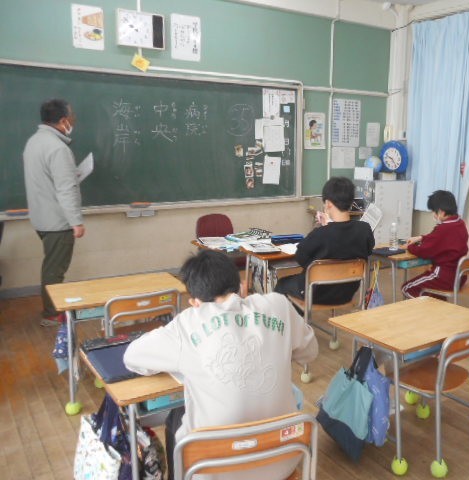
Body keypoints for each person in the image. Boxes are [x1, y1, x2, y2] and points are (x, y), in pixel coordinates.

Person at [124, 250, 318, 480]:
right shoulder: (279, 305)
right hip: (285, 457)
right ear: (243, 287)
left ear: (195, 302)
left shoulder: (187, 323)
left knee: (178, 416)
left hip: (214, 470)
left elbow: (131, 357)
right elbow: (310, 352)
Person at [23, 99, 85, 327]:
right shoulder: (58, 148)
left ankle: (52, 310)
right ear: (63, 120)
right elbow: (65, 189)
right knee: (54, 270)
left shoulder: (34, 141)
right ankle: (51, 314)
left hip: (41, 217)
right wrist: (76, 222)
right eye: (72, 117)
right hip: (57, 221)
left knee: (51, 265)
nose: (73, 121)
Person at [274, 177, 374, 305]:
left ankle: (297, 316)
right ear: (351, 202)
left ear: (328, 203)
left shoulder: (320, 233)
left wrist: (325, 227)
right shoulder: (364, 229)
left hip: (315, 293)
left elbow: (300, 258)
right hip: (346, 293)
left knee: (282, 284)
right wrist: (328, 226)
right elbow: (368, 249)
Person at [401, 190, 469, 299]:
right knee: (432, 293)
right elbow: (437, 239)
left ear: (441, 212)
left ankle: (427, 309)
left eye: (434, 211)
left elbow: (424, 251)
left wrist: (409, 247)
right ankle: (436, 307)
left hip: (444, 277)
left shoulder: (443, 229)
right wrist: (421, 237)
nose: (433, 214)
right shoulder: (460, 223)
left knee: (407, 288)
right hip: (459, 278)